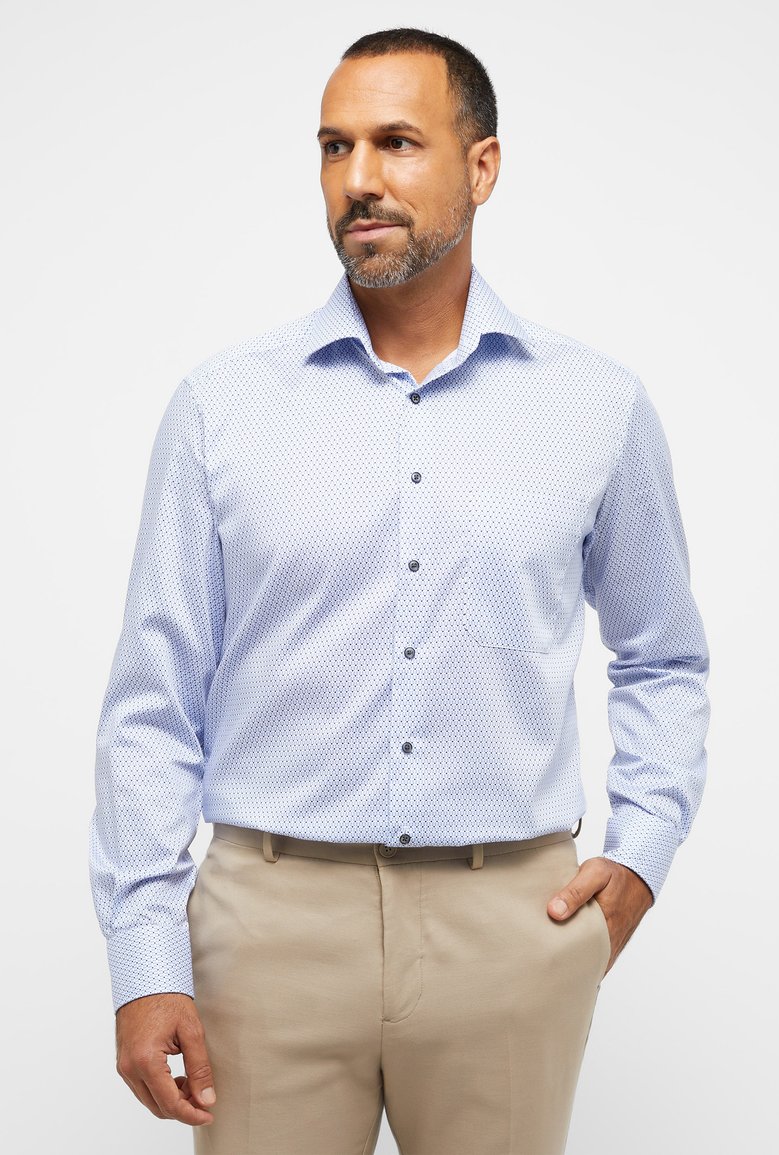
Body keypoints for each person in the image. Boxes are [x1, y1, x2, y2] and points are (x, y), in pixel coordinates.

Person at [89, 26, 710, 1155]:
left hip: (509, 924)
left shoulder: (595, 407)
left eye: (396, 142)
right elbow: (151, 702)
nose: (358, 177)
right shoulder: (223, 407)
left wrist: (641, 854)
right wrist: (144, 957)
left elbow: (663, 658)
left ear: (482, 166)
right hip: (266, 925)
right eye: (335, 147)